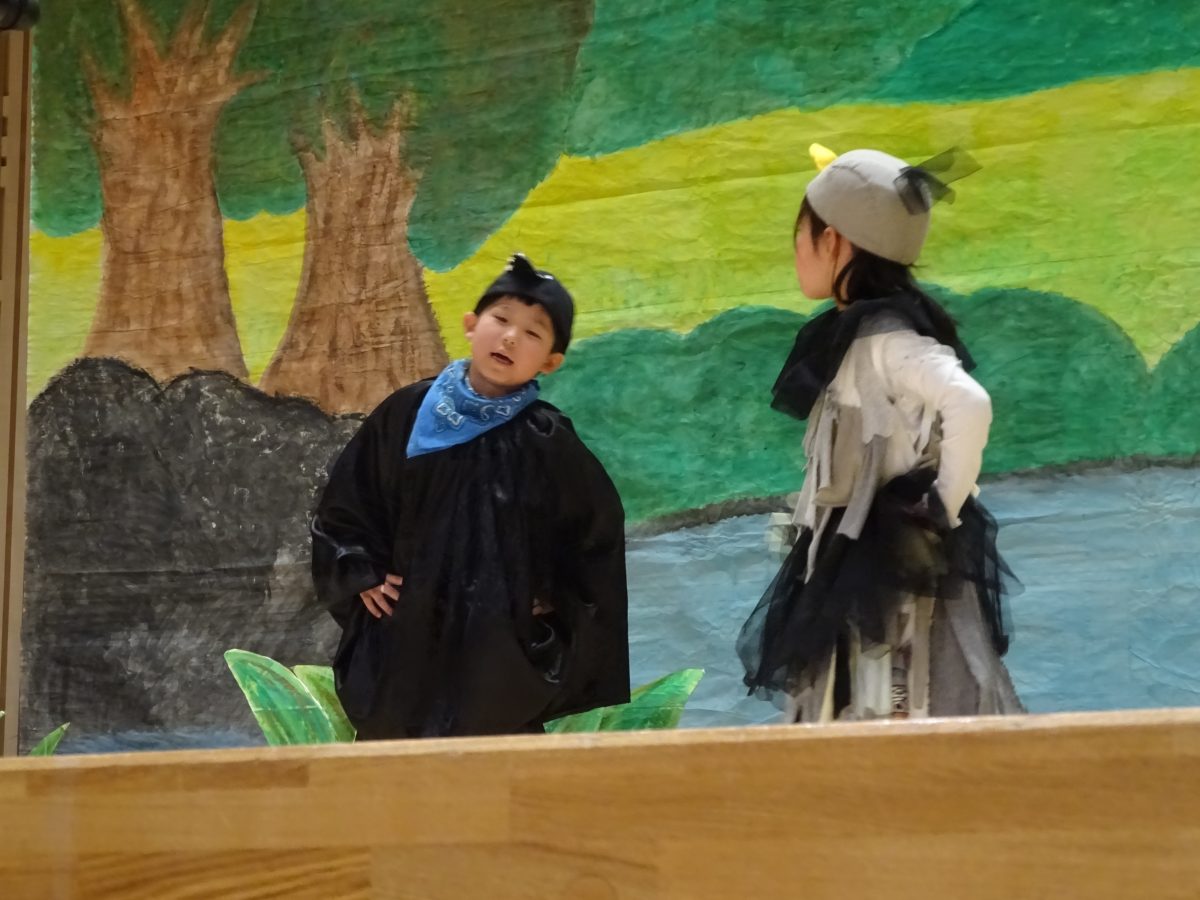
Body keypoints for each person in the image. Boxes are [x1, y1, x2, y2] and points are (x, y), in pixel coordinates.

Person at [737, 146, 1023, 722]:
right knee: (863, 684)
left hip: (884, 565)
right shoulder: (865, 335)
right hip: (855, 555)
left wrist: (942, 505)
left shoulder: (886, 341)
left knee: (893, 681)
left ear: (833, 240)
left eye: (800, 235)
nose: (796, 250)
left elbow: (969, 401)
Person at [311, 253, 629, 739]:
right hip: (405, 638)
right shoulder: (406, 413)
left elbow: (594, 536)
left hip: (497, 650)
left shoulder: (546, 440)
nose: (510, 337)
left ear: (551, 361)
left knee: (496, 765)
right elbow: (348, 504)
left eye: (533, 332)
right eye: (500, 319)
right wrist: (359, 570)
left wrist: (553, 599)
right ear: (470, 325)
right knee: (398, 765)